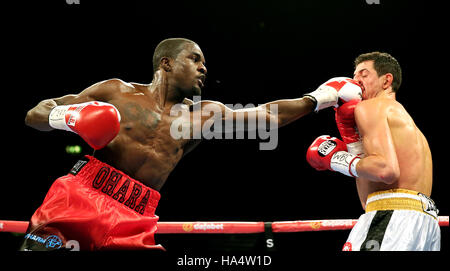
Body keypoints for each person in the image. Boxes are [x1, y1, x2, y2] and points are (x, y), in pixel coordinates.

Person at [22, 37, 356, 250]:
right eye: (195, 59)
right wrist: (67, 117)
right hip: (80, 196)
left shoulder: (204, 114)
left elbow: (267, 117)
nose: (204, 68)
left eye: (204, 62)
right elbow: (36, 113)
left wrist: (319, 97)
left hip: (135, 215)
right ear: (166, 63)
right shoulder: (115, 92)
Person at [306, 52, 440, 251]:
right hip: (423, 221)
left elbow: (385, 170)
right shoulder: (403, 119)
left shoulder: (371, 107)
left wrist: (336, 159)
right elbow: (368, 201)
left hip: (393, 218)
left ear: (387, 80)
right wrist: (353, 143)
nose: (356, 81)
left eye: (364, 74)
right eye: (355, 75)